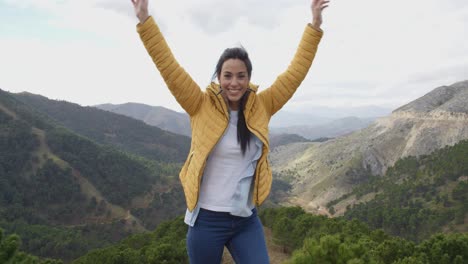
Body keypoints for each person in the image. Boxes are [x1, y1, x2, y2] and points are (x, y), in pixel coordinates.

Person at [130, 0, 328, 263]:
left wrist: (314, 26)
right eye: (228, 75)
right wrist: (145, 21)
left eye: (241, 76)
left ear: (248, 79)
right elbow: (170, 68)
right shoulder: (199, 104)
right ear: (219, 77)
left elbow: (294, 74)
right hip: (206, 221)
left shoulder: (263, 105)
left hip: (246, 220)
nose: (234, 82)